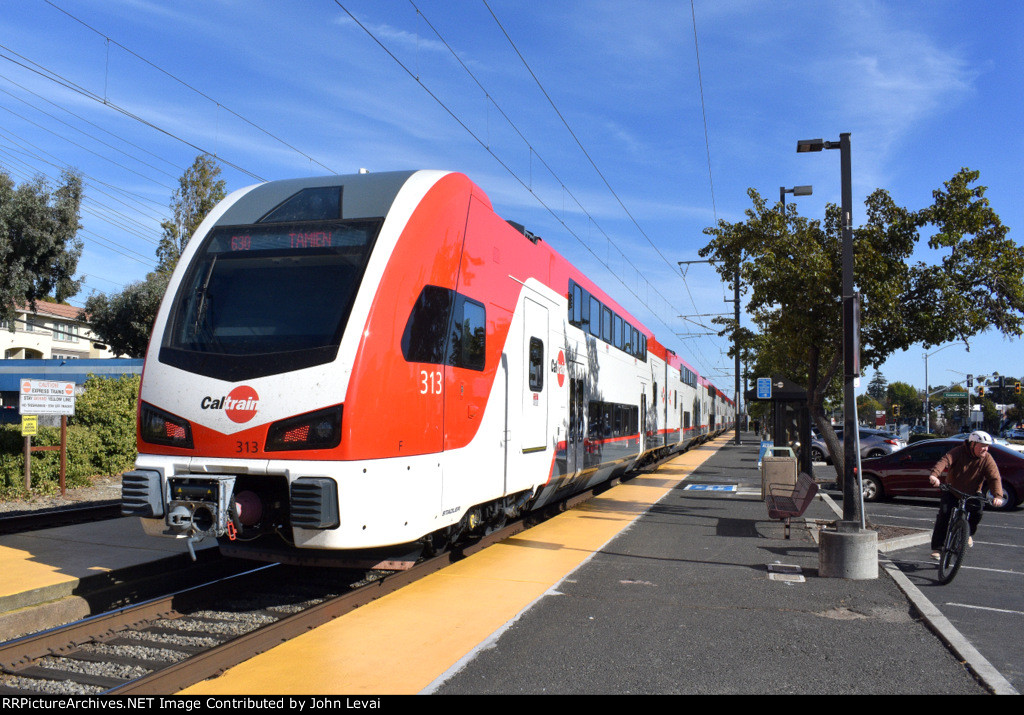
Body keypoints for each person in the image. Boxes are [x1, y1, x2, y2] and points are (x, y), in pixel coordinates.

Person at [927, 430, 1005, 560]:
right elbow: (945, 461)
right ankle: (937, 548)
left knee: (978, 511)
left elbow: (994, 477)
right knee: (944, 515)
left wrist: (998, 495)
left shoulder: (987, 459)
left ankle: (968, 533)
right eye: (982, 446)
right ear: (972, 444)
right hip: (952, 490)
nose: (985, 449)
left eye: (987, 446)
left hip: (973, 493)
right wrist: (934, 475)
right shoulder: (959, 452)